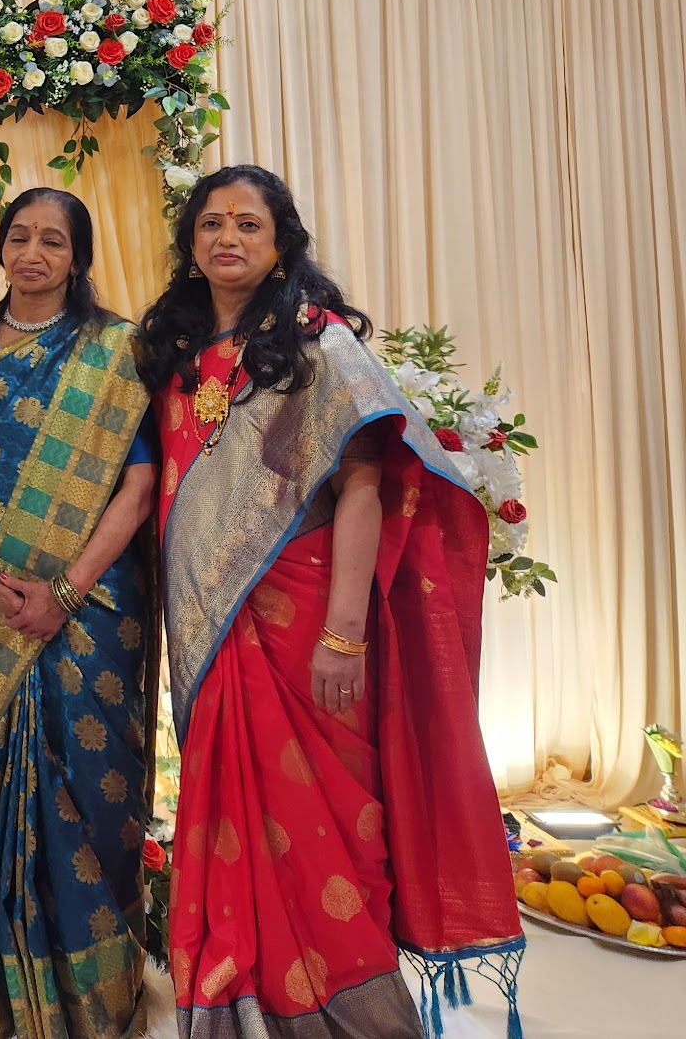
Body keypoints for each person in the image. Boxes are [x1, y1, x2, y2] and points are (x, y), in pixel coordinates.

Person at [137, 164, 522, 1039]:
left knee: (330, 817)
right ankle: (238, 999)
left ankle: (345, 1003)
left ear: (281, 247)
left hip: (304, 616)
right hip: (211, 624)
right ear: (191, 242)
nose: (228, 237)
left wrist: (344, 633)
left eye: (249, 224)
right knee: (230, 807)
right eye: (211, 223)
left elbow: (363, 487)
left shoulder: (317, 345)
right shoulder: (179, 355)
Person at [0, 188, 158, 1039]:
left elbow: (139, 484)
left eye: (52, 241)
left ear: (77, 257)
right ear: (1, 247)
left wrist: (66, 591)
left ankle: (96, 991)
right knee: (4, 779)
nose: (33, 253)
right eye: (19, 237)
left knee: (95, 784)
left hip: (92, 602)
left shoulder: (116, 349)